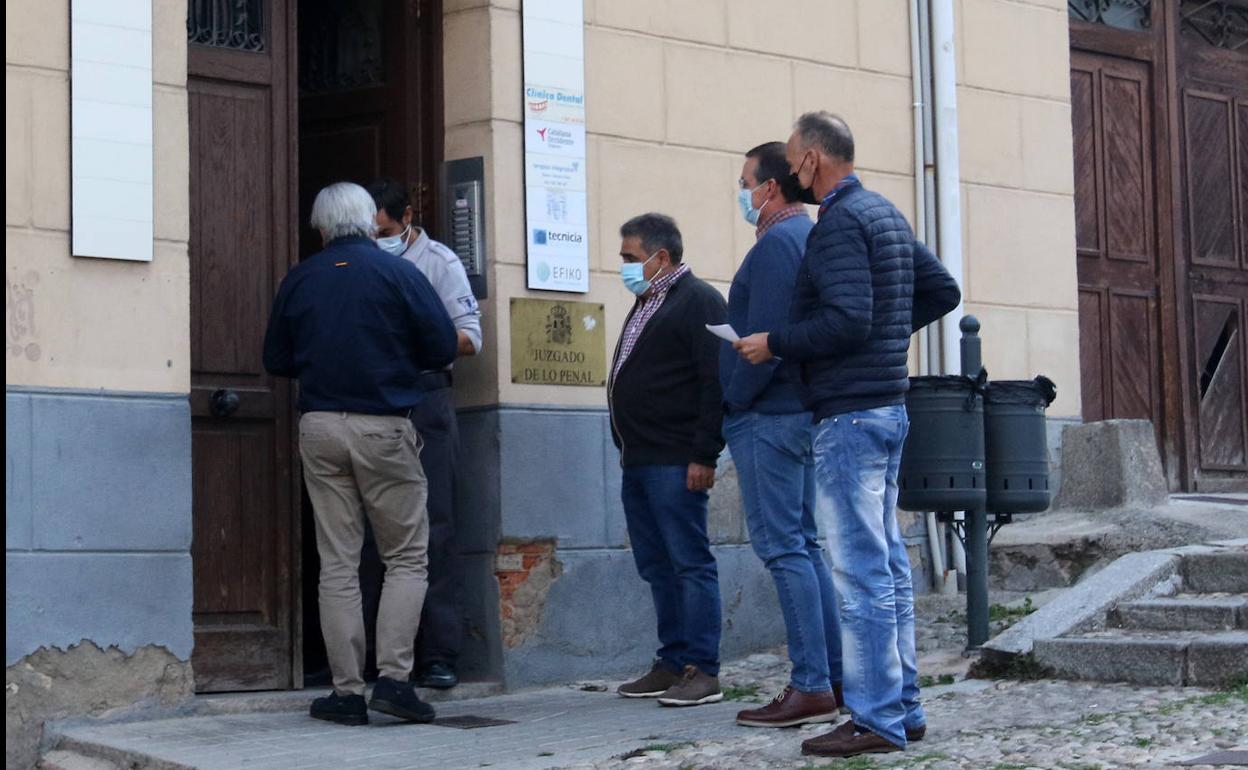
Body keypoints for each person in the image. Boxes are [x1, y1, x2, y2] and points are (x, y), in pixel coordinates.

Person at [735, 113, 961, 757]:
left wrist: (774, 341)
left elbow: (845, 320)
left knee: (861, 574)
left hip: (851, 413)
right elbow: (941, 290)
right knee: (887, 567)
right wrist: (887, 336)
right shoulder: (884, 212)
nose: (790, 173)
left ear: (811, 160)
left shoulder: (836, 224)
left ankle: (875, 719)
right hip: (885, 407)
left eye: (793, 161)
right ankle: (902, 709)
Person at [263, 182, 457, 726]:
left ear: (321, 228)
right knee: (406, 557)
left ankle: (346, 692)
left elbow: (276, 359)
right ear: (371, 222)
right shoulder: (400, 274)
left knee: (338, 561)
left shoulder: (300, 278)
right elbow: (443, 346)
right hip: (385, 427)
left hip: (321, 425)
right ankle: (394, 682)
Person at [722, 142, 842, 729]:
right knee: (804, 546)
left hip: (769, 413)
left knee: (784, 548)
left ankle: (812, 684)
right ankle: (834, 678)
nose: (742, 192)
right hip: (798, 409)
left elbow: (764, 341)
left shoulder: (777, 243)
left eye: (746, 182)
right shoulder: (805, 236)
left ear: (770, 187)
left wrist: (734, 401)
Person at [364, 177, 483, 690]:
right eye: (370, 234)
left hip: (424, 399)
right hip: (371, 401)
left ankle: (437, 653)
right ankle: (371, 654)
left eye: (384, 231)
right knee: (369, 530)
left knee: (435, 525)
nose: (377, 241)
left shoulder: (439, 263)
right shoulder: (360, 264)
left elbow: (470, 338)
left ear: (407, 218)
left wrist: (412, 343)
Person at [609, 213, 729, 707]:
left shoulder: (698, 300)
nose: (624, 266)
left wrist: (704, 453)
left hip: (675, 458)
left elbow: (715, 382)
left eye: (630, 257)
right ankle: (672, 661)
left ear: (661, 257)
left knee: (689, 562)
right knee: (656, 564)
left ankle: (702, 668)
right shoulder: (647, 302)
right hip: (638, 457)